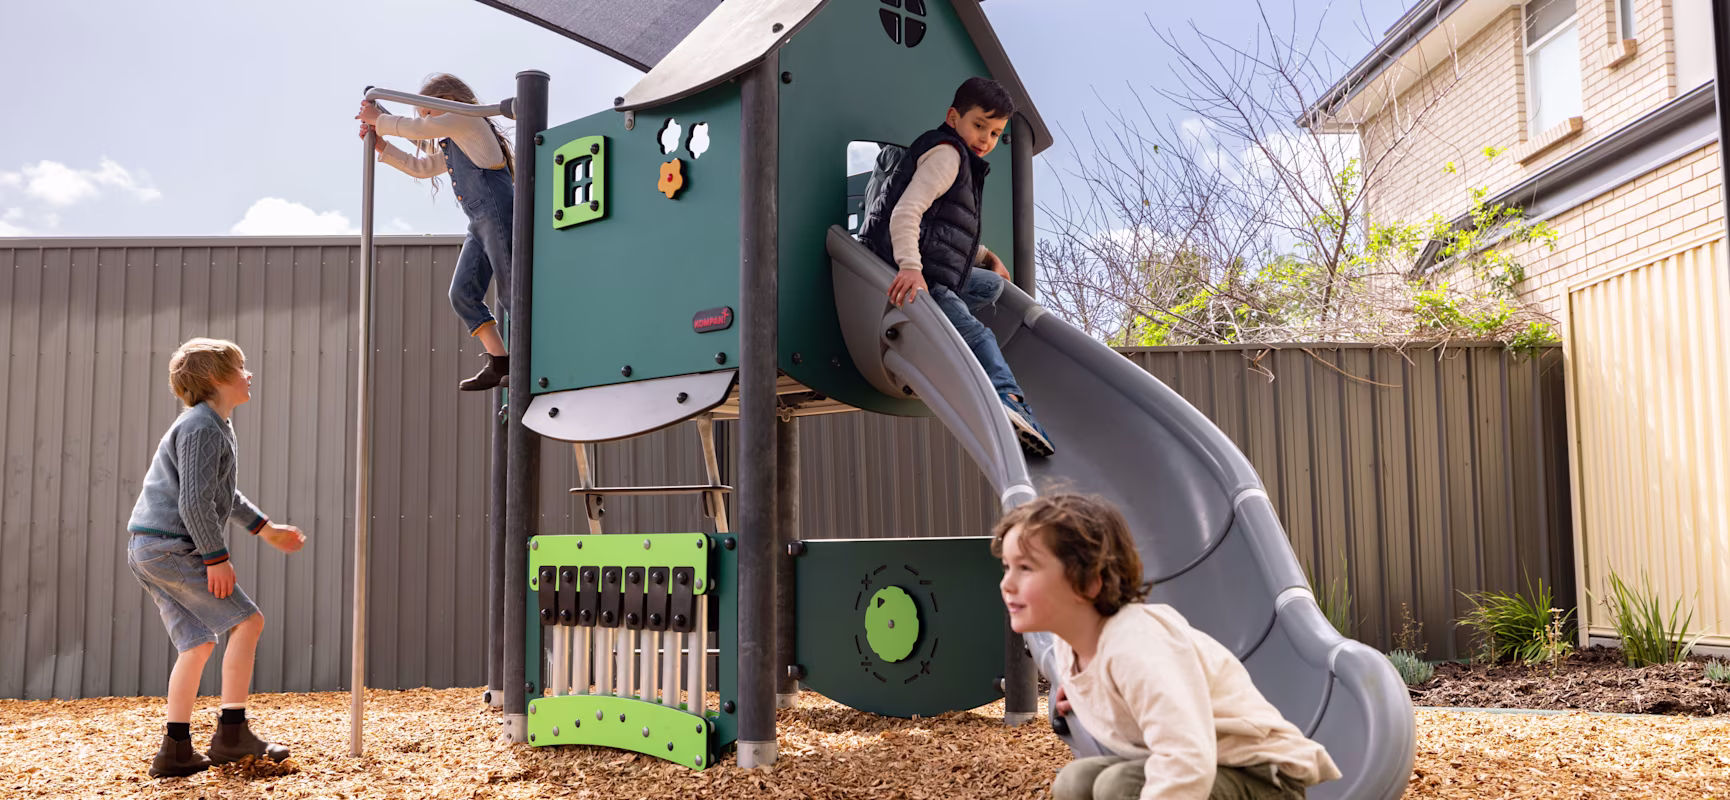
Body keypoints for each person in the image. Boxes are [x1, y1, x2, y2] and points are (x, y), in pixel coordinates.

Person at [994, 494, 1341, 799]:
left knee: (1119, 787)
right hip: (1215, 768)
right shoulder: (1072, 642)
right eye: (1007, 566)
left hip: (1266, 779)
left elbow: (1185, 759)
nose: (1006, 584)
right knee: (1076, 781)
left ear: (1088, 582)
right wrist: (1085, 689)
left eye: (1026, 568)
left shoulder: (1137, 646)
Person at [127, 338, 307, 777]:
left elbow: (219, 495)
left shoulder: (213, 425)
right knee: (248, 621)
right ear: (215, 379)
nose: (249, 375)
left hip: (150, 547)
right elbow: (193, 504)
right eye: (241, 367)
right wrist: (215, 558)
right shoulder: (202, 427)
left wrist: (265, 528)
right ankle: (231, 734)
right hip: (170, 545)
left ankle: (175, 750)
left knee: (199, 642)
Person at [856, 77, 1054, 456]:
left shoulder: (963, 160)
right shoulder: (948, 156)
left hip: (928, 264)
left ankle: (949, 312)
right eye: (979, 125)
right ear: (954, 117)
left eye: (995, 133)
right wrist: (910, 267)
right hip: (911, 272)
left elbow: (945, 227)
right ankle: (1008, 400)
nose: (985, 139)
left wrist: (986, 257)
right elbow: (906, 214)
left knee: (991, 286)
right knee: (980, 336)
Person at [359, 73, 516, 391]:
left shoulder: (466, 119)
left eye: (429, 112)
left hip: (499, 215)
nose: (428, 122)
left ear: (449, 101)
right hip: (478, 222)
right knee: (462, 294)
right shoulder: (457, 137)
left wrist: (381, 118)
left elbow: (422, 131)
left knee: (513, 291)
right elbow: (424, 166)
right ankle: (500, 361)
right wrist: (383, 145)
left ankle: (536, 357)